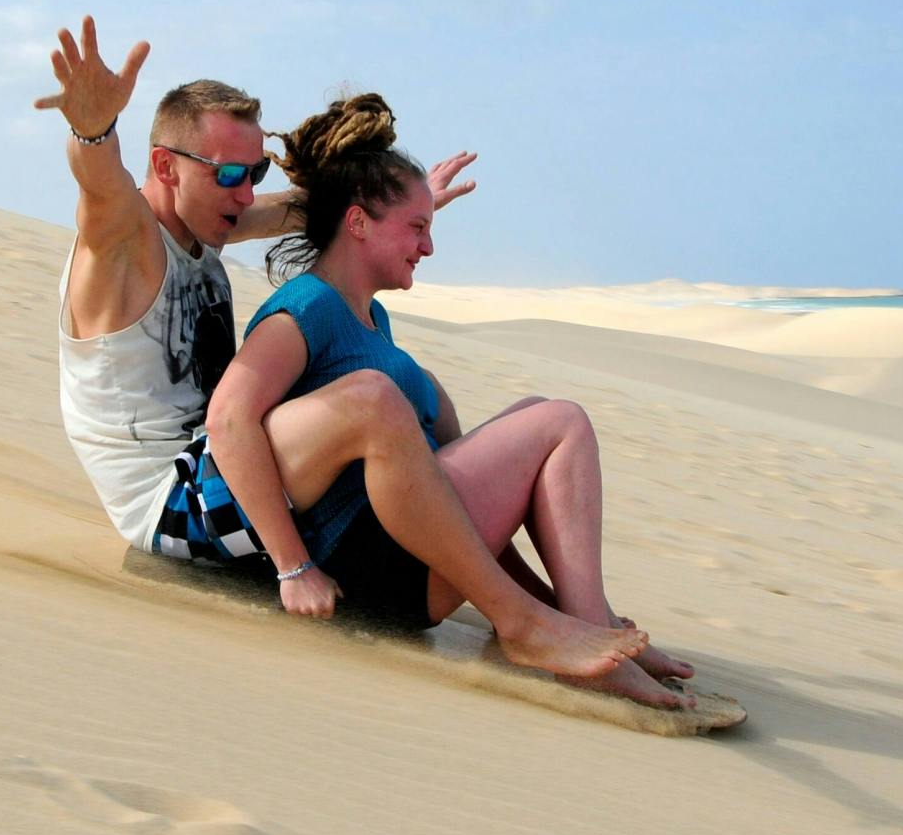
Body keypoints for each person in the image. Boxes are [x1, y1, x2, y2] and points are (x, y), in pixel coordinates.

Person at [34, 16, 644, 679]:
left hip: (222, 468)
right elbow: (100, 190)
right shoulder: (125, 244)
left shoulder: (204, 225)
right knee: (368, 400)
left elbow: (313, 212)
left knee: (421, 399)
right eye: (232, 174)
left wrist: (401, 211)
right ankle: (520, 622)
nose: (246, 194)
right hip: (169, 498)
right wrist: (92, 132)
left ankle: (567, 615)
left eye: (255, 172)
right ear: (163, 166)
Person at [205, 93, 696, 709]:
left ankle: (571, 619)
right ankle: (567, 625)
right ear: (357, 223)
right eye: (417, 228)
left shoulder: (371, 318)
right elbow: (227, 421)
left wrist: (527, 598)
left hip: (411, 553)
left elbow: (435, 490)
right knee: (561, 421)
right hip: (373, 569)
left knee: (534, 409)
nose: (428, 247)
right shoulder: (304, 309)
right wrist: (294, 568)